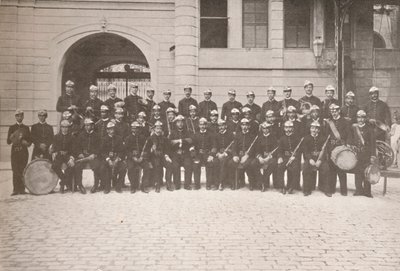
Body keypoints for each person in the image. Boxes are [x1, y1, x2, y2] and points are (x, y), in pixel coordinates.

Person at [324, 103, 352, 197]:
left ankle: (343, 190)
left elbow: (348, 134)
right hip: (331, 147)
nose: (334, 112)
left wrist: (347, 145)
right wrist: (327, 148)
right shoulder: (329, 122)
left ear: (339, 110)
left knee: (341, 168)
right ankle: (331, 188)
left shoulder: (345, 121)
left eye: (335, 110)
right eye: (332, 111)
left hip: (341, 146)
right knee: (332, 169)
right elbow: (326, 136)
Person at [350, 110, 376, 198]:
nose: (360, 120)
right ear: (356, 118)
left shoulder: (369, 129)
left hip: (366, 154)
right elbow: (351, 139)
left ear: (365, 119)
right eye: (358, 118)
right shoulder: (354, 128)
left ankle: (367, 191)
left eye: (362, 118)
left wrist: (373, 156)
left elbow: (373, 144)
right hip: (357, 154)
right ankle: (358, 190)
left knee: (366, 172)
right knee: (357, 172)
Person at [74, 118, 102, 194]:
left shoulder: (97, 135)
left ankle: (96, 185)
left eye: (89, 125)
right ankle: (80, 186)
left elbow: (99, 147)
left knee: (97, 166)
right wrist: (80, 153)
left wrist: (95, 154)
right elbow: (77, 147)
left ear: (92, 126)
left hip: (93, 156)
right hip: (83, 156)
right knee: (77, 166)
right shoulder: (81, 135)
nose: (87, 127)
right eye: (86, 125)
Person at [302, 121, 330, 196]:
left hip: (320, 159)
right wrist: (310, 159)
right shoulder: (306, 138)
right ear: (310, 129)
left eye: (316, 128)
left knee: (326, 168)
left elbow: (325, 151)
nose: (314, 130)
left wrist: (320, 160)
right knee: (305, 169)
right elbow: (305, 151)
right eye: (313, 128)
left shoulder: (323, 138)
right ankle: (306, 189)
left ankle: (326, 189)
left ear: (319, 130)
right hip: (310, 159)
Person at [7, 109, 31, 195]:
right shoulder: (12, 128)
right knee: (15, 170)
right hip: (15, 152)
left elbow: (30, 141)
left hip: (23, 152)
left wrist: (26, 142)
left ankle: (22, 189)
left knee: (23, 170)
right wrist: (12, 137)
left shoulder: (26, 128)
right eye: (17, 115)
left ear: (23, 116)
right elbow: (8, 142)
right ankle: (15, 189)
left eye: (21, 115)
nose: (19, 117)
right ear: (15, 117)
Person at [230, 118, 258, 190]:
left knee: (248, 163)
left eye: (246, 125)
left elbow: (254, 148)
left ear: (249, 126)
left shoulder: (252, 136)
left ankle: (251, 182)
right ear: (241, 126)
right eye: (243, 125)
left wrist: (247, 155)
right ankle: (235, 182)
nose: (244, 127)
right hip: (239, 155)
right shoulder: (237, 135)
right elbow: (234, 147)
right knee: (231, 162)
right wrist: (235, 155)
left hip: (249, 156)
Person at [190, 118, 217, 190]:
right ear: (199, 125)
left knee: (210, 164)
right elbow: (192, 146)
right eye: (201, 125)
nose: (202, 126)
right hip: (198, 154)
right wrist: (194, 155)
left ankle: (209, 184)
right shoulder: (195, 134)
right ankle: (197, 185)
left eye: (204, 124)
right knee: (196, 165)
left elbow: (214, 146)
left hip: (207, 154)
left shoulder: (211, 135)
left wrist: (211, 155)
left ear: (206, 125)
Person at [277, 121, 302, 195]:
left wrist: (294, 156)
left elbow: (300, 150)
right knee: (280, 167)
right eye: (286, 127)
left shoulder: (297, 138)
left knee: (295, 168)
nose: (288, 129)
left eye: (290, 127)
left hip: (294, 158)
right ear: (284, 128)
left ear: (293, 128)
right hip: (285, 157)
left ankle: (292, 186)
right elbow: (280, 150)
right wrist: (280, 157)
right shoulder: (282, 138)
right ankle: (281, 186)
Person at [148, 121, 174, 192]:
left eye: (160, 128)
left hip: (163, 156)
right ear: (154, 129)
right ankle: (157, 184)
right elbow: (146, 151)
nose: (159, 130)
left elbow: (167, 149)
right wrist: (151, 149)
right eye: (157, 128)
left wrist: (166, 156)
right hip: (154, 157)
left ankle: (168, 183)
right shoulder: (150, 138)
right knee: (157, 165)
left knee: (169, 165)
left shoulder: (165, 139)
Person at [101, 121, 126, 194]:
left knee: (123, 168)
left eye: (113, 129)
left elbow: (122, 151)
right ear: (107, 130)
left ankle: (118, 186)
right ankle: (107, 186)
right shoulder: (104, 139)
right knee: (103, 168)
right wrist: (108, 159)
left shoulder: (119, 138)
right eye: (110, 129)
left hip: (117, 158)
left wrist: (118, 159)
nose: (112, 131)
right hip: (107, 159)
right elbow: (102, 152)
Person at [169, 115, 193, 190]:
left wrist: (179, 141)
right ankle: (177, 184)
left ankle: (187, 184)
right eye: (178, 122)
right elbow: (169, 143)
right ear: (176, 123)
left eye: (181, 122)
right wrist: (183, 140)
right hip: (176, 154)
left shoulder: (187, 131)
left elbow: (190, 141)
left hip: (185, 153)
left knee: (188, 165)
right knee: (175, 166)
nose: (180, 124)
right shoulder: (172, 133)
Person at [125, 121, 150, 193]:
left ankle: (144, 186)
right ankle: (133, 186)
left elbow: (146, 149)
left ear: (139, 129)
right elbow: (126, 151)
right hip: (131, 158)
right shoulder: (128, 138)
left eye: (137, 128)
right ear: (131, 129)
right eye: (133, 128)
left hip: (142, 158)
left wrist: (142, 157)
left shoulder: (143, 138)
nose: (135, 130)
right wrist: (132, 157)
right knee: (130, 168)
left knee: (147, 167)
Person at [253, 122, 279, 192]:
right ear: (262, 129)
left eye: (267, 128)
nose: (265, 130)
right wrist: (260, 157)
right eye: (264, 128)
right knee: (253, 163)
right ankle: (261, 180)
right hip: (261, 157)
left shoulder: (273, 137)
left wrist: (268, 157)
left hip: (270, 157)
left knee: (274, 163)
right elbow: (257, 150)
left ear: (269, 129)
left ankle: (263, 181)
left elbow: (276, 150)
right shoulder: (259, 138)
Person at [51, 120, 75, 194]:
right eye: (63, 127)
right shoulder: (56, 137)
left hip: (68, 155)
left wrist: (71, 158)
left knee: (72, 166)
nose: (65, 129)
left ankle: (62, 183)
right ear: (61, 127)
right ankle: (64, 180)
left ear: (68, 128)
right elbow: (54, 148)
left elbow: (74, 149)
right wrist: (57, 152)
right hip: (59, 155)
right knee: (54, 166)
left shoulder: (72, 137)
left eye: (66, 127)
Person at [214, 119, 234, 190]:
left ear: (225, 126)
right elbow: (215, 146)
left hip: (228, 154)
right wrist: (218, 154)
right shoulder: (216, 135)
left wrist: (226, 153)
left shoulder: (230, 134)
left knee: (224, 162)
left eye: (222, 125)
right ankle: (216, 183)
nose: (221, 127)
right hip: (219, 154)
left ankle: (221, 183)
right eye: (219, 126)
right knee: (215, 162)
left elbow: (233, 147)